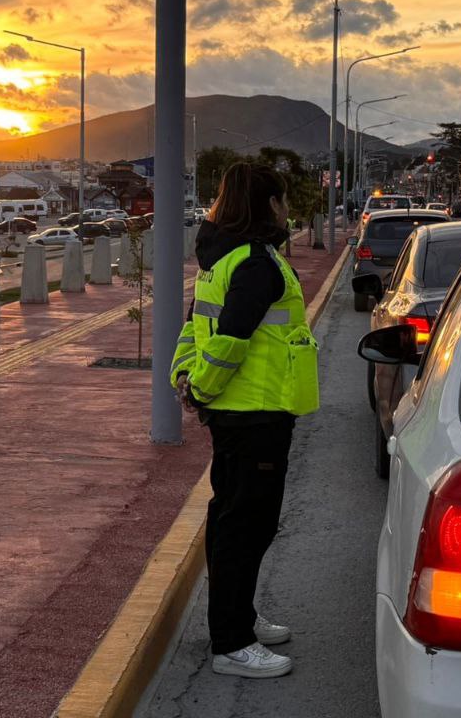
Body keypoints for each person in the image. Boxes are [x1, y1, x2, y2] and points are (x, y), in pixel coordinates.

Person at [169, 162, 320, 679]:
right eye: (279, 200)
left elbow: (194, 327)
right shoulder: (255, 264)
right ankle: (231, 642)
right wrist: (203, 388)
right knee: (245, 526)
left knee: (232, 519)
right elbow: (230, 338)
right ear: (265, 205)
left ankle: (237, 617)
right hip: (253, 413)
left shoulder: (223, 258)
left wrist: (186, 380)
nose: (286, 208)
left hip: (241, 412)